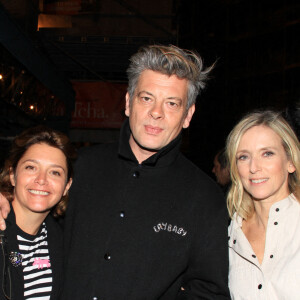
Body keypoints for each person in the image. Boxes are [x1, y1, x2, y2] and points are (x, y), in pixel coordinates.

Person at [1, 45, 230, 299]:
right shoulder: (79, 167)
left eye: (172, 103)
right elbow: (33, 202)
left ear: (188, 115)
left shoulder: (205, 197)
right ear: (128, 102)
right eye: (146, 98)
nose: (156, 112)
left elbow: (208, 292)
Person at [226, 110, 300, 299]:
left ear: (290, 162)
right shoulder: (231, 231)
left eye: (267, 153)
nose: (254, 167)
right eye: (244, 156)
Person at [0, 126, 75, 299]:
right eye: (31, 167)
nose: (41, 180)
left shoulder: (59, 238)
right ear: (12, 175)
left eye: (55, 172)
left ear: (66, 186)